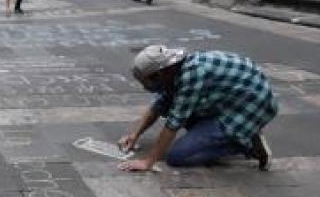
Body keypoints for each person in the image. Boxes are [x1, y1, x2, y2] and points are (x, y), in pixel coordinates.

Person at [118, 45, 276, 171]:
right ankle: (223, 135)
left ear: (159, 74)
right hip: (229, 100)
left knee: (177, 157)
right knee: (169, 105)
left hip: (250, 108)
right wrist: (134, 135)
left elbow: (174, 123)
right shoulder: (173, 71)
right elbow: (159, 105)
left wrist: (148, 162)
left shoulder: (191, 76)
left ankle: (245, 142)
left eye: (147, 82)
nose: (146, 88)